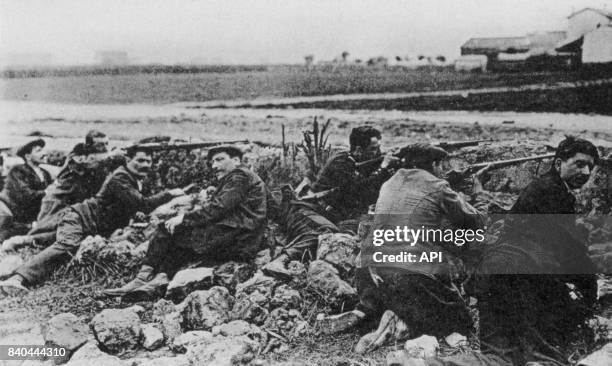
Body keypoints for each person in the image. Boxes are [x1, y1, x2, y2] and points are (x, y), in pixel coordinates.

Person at [317, 144, 487, 354]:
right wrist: (478, 192)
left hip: (367, 271)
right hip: (408, 273)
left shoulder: (390, 183)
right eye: (442, 166)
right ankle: (401, 323)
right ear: (433, 164)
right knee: (460, 321)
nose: (444, 171)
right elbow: (475, 221)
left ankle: (371, 311)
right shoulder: (439, 186)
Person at [474, 136, 600, 365]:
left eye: (590, 167)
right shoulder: (554, 193)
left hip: (492, 274)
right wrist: (590, 289)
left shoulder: (542, 187)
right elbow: (568, 252)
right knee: (544, 356)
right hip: (523, 277)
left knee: (497, 357)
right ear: (558, 162)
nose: (585, 171)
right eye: (579, 163)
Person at [0, 146, 184, 294]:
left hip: (89, 225)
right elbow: (142, 204)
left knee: (53, 244)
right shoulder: (121, 177)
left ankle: (13, 268)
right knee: (66, 245)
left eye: (149, 161)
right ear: (128, 160)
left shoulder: (133, 179)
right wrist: (169, 194)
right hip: (79, 218)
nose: (145, 165)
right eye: (140, 160)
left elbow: (130, 207)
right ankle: (17, 279)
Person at [104, 145, 268, 298]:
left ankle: (142, 279)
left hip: (237, 237)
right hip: (241, 238)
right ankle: (157, 281)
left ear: (236, 161)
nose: (214, 166)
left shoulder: (239, 176)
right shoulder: (243, 178)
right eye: (212, 162)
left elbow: (218, 208)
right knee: (179, 243)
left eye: (219, 159)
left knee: (166, 229)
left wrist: (184, 218)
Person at [1, 131, 125, 251]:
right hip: (52, 204)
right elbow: (26, 195)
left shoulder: (44, 172)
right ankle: (22, 241)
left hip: (67, 202)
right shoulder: (78, 155)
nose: (105, 148)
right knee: (51, 230)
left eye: (107, 144)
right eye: (101, 144)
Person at [0, 139, 53, 242]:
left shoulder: (45, 173)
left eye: (43, 150)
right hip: (16, 216)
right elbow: (27, 195)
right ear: (28, 156)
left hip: (36, 215)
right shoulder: (18, 171)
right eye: (39, 151)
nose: (44, 153)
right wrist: (47, 192)